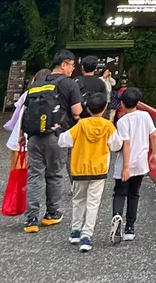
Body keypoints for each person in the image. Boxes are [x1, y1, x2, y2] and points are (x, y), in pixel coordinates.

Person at [23, 50, 83, 233]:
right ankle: (52, 214)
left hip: (33, 136)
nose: (73, 69)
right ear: (64, 65)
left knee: (34, 176)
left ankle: (31, 219)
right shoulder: (68, 84)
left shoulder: (37, 83)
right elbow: (76, 112)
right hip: (57, 136)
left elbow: (26, 112)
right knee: (54, 175)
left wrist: (21, 135)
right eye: (72, 65)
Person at [58, 91, 121, 252]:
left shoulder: (81, 125)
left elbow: (64, 140)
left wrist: (58, 130)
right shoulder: (108, 126)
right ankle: (87, 236)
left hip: (80, 169)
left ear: (87, 108)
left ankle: (75, 231)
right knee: (93, 203)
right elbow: (116, 146)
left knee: (78, 200)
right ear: (105, 107)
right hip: (98, 170)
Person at [110, 87, 156, 244]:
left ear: (122, 104)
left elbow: (126, 144)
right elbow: (153, 135)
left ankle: (117, 217)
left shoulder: (123, 121)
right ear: (138, 103)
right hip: (140, 163)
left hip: (126, 164)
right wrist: (154, 154)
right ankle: (130, 228)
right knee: (134, 194)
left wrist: (125, 167)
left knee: (119, 193)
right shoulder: (145, 116)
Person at [4, 68, 50, 170]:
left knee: (18, 166)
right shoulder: (50, 94)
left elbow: (18, 112)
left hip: (21, 130)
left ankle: (19, 185)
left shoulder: (28, 93)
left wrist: (12, 125)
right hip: (40, 133)